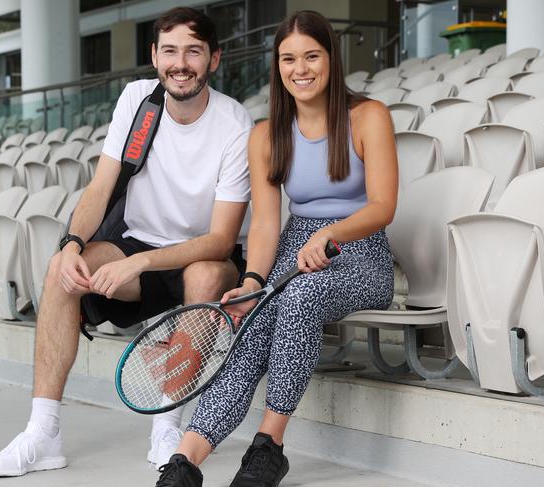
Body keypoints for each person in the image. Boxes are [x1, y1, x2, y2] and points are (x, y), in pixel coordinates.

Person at [0, 7, 253, 477]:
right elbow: (100, 187)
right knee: (60, 273)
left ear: (214, 59)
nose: (180, 62)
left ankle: (168, 425)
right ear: (154, 56)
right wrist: (69, 243)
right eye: (169, 50)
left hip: (200, 255)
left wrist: (142, 263)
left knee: (206, 273)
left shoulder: (234, 123)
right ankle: (43, 433)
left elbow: (221, 238)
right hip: (135, 245)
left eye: (193, 51)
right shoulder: (137, 101)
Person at [154, 10, 398, 487]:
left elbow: (384, 206)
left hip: (361, 251)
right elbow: (265, 224)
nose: (300, 69)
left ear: (332, 58)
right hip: (294, 250)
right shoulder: (266, 135)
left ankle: (269, 446)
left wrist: (332, 234)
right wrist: (250, 283)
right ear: (277, 65)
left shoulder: (369, 116)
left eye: (311, 56)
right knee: (255, 320)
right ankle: (186, 460)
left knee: (301, 300)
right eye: (289, 59)